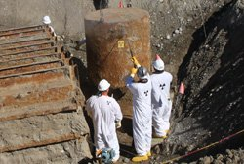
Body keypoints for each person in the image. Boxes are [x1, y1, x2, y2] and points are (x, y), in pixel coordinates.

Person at [85, 79, 123, 163]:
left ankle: (103, 161)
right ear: (107, 89)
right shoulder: (112, 101)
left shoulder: (92, 100)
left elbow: (87, 109)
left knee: (100, 147)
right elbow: (119, 116)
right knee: (112, 146)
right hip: (109, 130)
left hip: (98, 130)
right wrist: (118, 121)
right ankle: (111, 161)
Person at [126, 57, 152, 162]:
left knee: (139, 131)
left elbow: (128, 82)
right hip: (148, 111)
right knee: (147, 130)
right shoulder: (149, 80)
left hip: (140, 113)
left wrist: (132, 73)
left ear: (139, 76)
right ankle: (147, 149)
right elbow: (143, 72)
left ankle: (142, 153)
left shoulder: (137, 87)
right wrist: (138, 64)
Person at [150, 54, 173, 138]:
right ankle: (166, 129)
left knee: (156, 117)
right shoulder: (169, 75)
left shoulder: (151, 78)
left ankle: (161, 134)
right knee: (165, 117)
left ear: (154, 67)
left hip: (158, 102)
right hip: (167, 100)